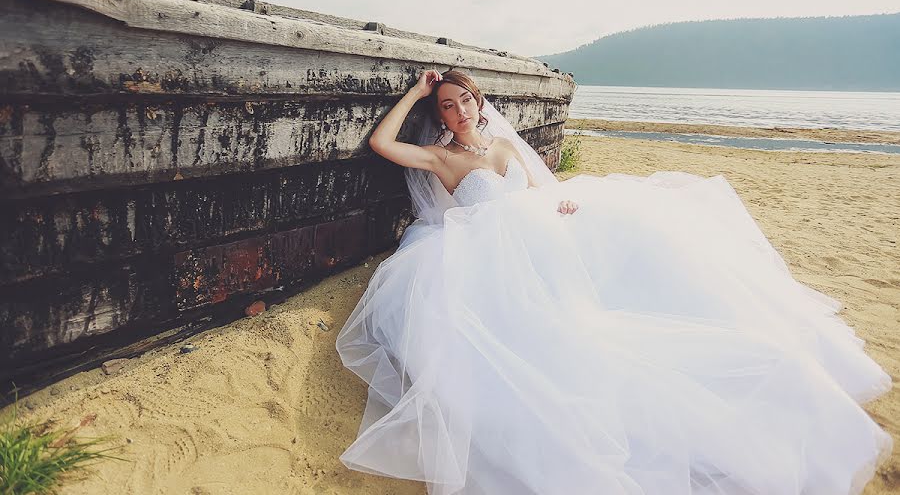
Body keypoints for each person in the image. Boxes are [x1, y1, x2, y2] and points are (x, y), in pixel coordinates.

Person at [336, 69, 892, 495]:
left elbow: (537, 191)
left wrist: (561, 202)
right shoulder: (440, 157)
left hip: (542, 237)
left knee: (641, 254)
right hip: (490, 252)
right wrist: (414, 93)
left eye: (464, 102)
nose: (457, 113)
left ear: (480, 103)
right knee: (560, 333)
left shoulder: (504, 146)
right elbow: (383, 145)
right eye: (446, 107)